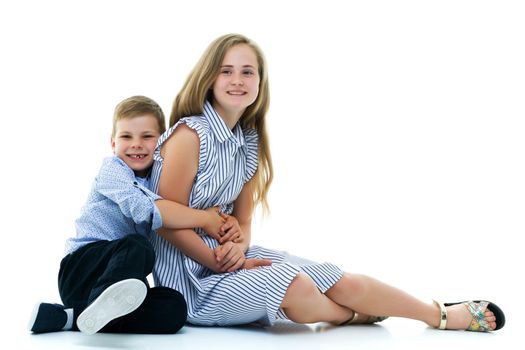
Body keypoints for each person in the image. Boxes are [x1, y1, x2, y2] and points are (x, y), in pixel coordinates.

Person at [151, 34, 505, 332]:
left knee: (338, 279)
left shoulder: (247, 141)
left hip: (232, 260)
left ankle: (441, 315)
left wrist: (239, 247)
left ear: (260, 82)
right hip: (193, 284)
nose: (237, 80)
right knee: (296, 285)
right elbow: (162, 221)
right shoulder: (189, 136)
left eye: (248, 72)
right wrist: (217, 260)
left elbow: (243, 220)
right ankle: (354, 314)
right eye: (226, 71)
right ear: (209, 78)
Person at [28, 95, 235, 335]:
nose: (136, 144)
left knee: (174, 306)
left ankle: (71, 318)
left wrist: (224, 222)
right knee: (138, 247)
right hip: (82, 269)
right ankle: (101, 301)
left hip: (121, 281)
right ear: (113, 143)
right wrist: (204, 218)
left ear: (162, 142)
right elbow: (141, 209)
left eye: (147, 137)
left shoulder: (160, 179)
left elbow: (179, 209)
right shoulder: (112, 170)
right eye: (126, 136)